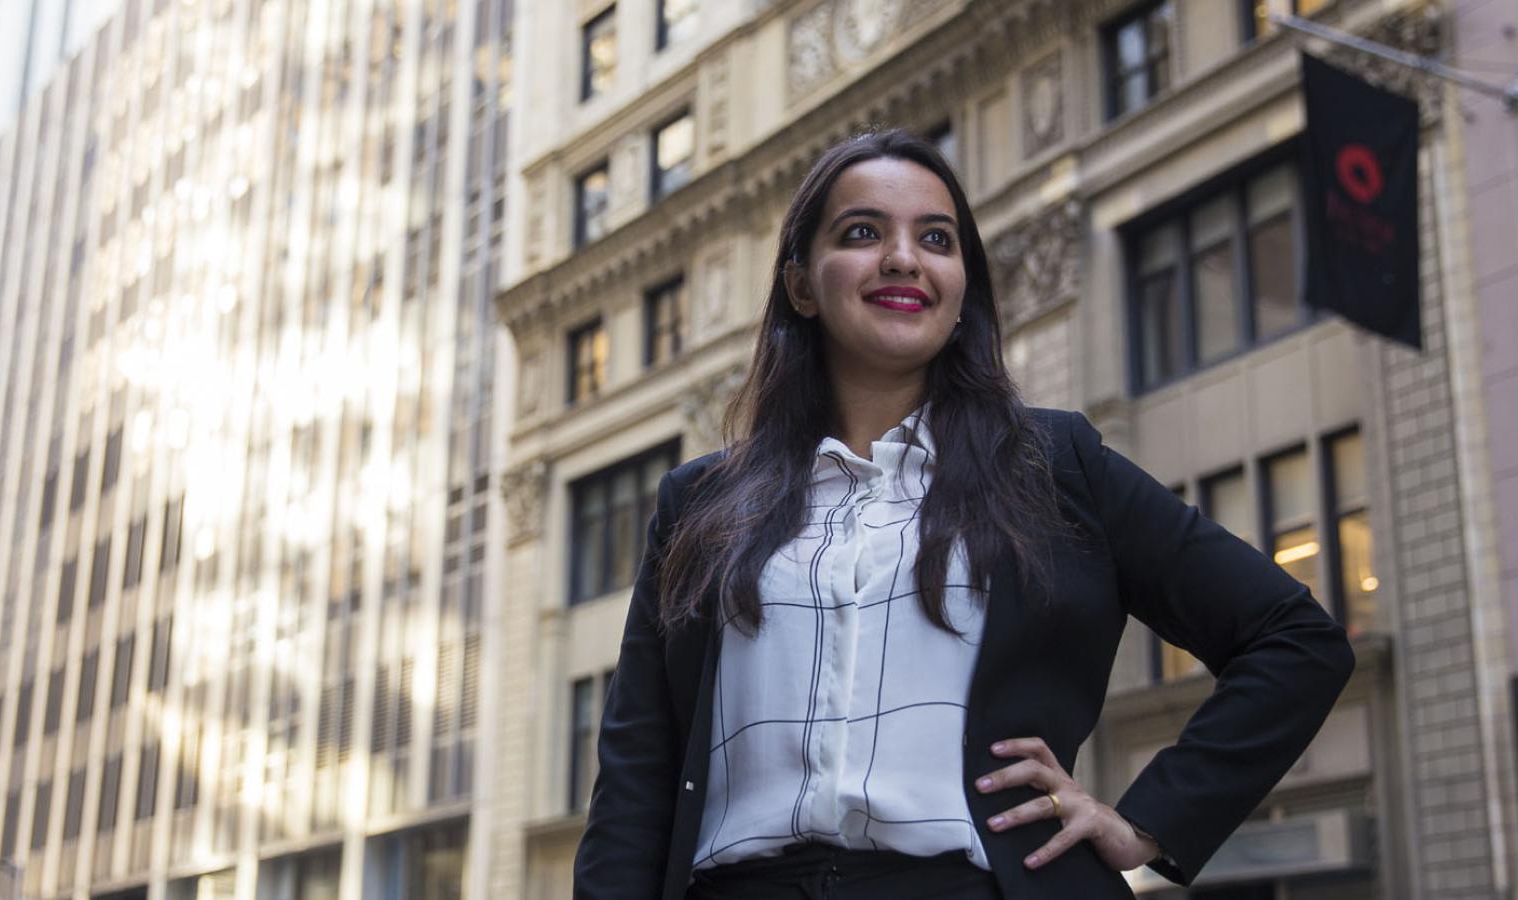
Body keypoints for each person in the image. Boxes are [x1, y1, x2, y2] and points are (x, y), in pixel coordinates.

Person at [572, 128, 1355, 900]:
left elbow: (1295, 641)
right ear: (802, 285)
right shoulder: (699, 505)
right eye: (862, 232)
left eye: (936, 238)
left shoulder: (1055, 465)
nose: (903, 258)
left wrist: (1147, 823)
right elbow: (637, 779)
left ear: (962, 290)